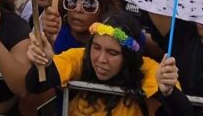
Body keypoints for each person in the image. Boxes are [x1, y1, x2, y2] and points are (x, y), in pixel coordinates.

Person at [25, 10, 193, 115]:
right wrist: (44, 63)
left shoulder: (147, 69)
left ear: (128, 56)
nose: (101, 59)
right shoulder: (80, 57)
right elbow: (34, 86)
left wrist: (168, 92)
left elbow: (184, 112)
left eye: (112, 53)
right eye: (96, 47)